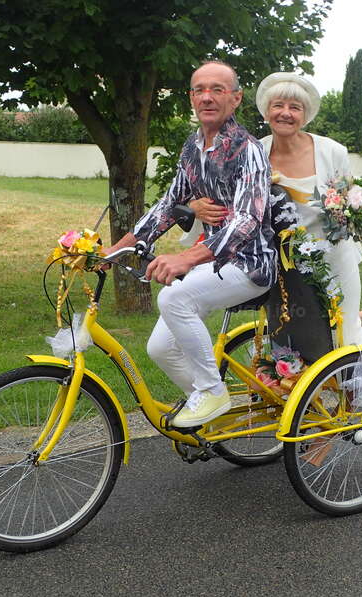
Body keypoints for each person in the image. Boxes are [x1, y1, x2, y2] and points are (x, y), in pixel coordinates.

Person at [102, 61, 276, 428]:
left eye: (218, 89)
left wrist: (187, 257)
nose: (207, 97)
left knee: (173, 298)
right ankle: (216, 415)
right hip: (214, 262)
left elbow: (247, 219)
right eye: (199, 90)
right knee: (160, 348)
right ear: (191, 98)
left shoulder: (250, 150)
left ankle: (213, 392)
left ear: (236, 98)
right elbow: (168, 206)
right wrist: (114, 250)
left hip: (251, 263)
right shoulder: (193, 147)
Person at [190, 72, 362, 346]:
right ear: (267, 112)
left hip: (334, 256)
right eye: (278, 106)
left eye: (294, 108)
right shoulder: (254, 152)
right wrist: (195, 206)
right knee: (292, 342)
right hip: (281, 264)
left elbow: (351, 197)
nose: (285, 113)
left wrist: (357, 213)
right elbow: (228, 200)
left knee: (348, 341)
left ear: (304, 116)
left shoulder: (332, 152)